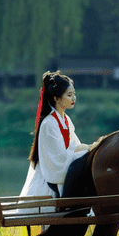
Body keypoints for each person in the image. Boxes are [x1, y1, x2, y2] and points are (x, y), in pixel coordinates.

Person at [19, 71, 90, 202]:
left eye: (74, 94)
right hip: (48, 178)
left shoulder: (66, 119)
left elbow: (74, 146)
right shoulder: (48, 123)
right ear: (56, 98)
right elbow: (58, 158)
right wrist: (82, 151)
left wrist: (88, 148)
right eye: (69, 95)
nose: (74, 98)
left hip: (60, 168)